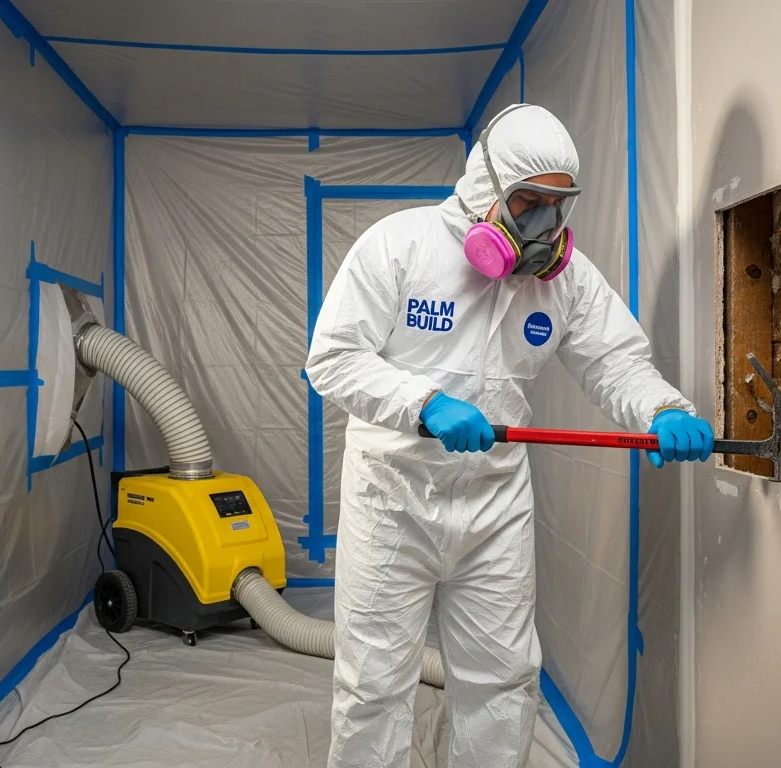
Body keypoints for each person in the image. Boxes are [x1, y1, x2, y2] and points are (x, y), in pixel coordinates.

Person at [304, 103, 713, 768]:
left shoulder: (565, 282)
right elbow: (332, 359)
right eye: (528, 202)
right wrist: (424, 402)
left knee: (503, 681)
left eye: (558, 205)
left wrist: (661, 409)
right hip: (392, 504)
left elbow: (614, 362)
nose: (544, 223)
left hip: (494, 507)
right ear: (484, 188)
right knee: (374, 686)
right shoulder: (398, 245)